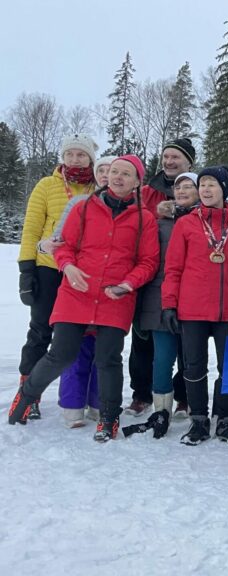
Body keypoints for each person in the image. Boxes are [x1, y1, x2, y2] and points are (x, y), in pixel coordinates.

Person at [9, 155, 159, 444]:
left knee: (108, 358)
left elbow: (148, 261)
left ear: (137, 182)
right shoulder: (84, 207)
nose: (118, 177)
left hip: (115, 297)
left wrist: (128, 284)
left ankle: (109, 417)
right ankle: (25, 398)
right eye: (114, 171)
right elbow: (64, 247)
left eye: (126, 174)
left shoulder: (145, 218)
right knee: (61, 354)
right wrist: (67, 266)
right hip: (76, 292)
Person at [161, 166, 228, 446]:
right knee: (193, 366)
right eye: (202, 184)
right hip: (192, 309)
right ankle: (199, 419)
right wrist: (169, 304)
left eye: (212, 184)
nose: (206, 189)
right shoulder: (186, 224)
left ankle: (225, 420)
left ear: (224, 189)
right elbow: (173, 268)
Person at [16, 134, 99, 421]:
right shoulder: (47, 185)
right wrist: (26, 271)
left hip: (82, 271)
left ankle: (80, 394)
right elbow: (31, 229)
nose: (75, 159)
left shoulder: (98, 188)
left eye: (81, 154)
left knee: (79, 335)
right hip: (48, 267)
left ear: (90, 159)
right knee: (40, 331)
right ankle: (28, 395)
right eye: (69, 154)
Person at [40, 155, 115, 428]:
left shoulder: (130, 207)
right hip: (79, 286)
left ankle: (97, 402)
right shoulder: (80, 203)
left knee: (102, 351)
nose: (106, 175)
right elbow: (59, 241)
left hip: (109, 292)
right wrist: (46, 246)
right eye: (102, 170)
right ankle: (72, 405)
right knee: (76, 348)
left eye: (112, 170)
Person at [128, 138, 197, 417]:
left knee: (185, 347)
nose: (169, 161)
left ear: (189, 163)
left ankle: (183, 396)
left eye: (176, 157)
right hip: (152, 282)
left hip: (187, 286)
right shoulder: (147, 191)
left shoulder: (197, 188)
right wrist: (156, 213)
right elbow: (133, 222)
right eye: (166, 156)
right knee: (144, 344)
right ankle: (141, 394)